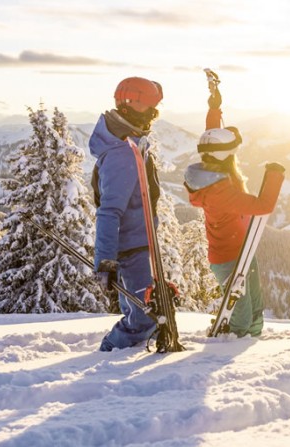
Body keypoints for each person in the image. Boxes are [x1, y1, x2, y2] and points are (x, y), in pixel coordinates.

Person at [184, 85, 285, 337]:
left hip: (242, 249)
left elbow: (211, 139)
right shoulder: (219, 191)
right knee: (241, 312)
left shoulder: (213, 173)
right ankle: (235, 345)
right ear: (227, 155)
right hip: (230, 258)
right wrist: (275, 174)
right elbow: (263, 206)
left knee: (255, 304)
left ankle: (254, 337)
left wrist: (214, 109)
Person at [90, 76, 164, 351]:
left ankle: (120, 357)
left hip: (138, 244)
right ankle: (110, 352)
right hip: (131, 249)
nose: (154, 115)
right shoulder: (122, 153)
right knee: (142, 319)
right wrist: (105, 259)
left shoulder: (131, 143)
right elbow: (109, 211)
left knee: (144, 311)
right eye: (149, 108)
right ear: (130, 106)